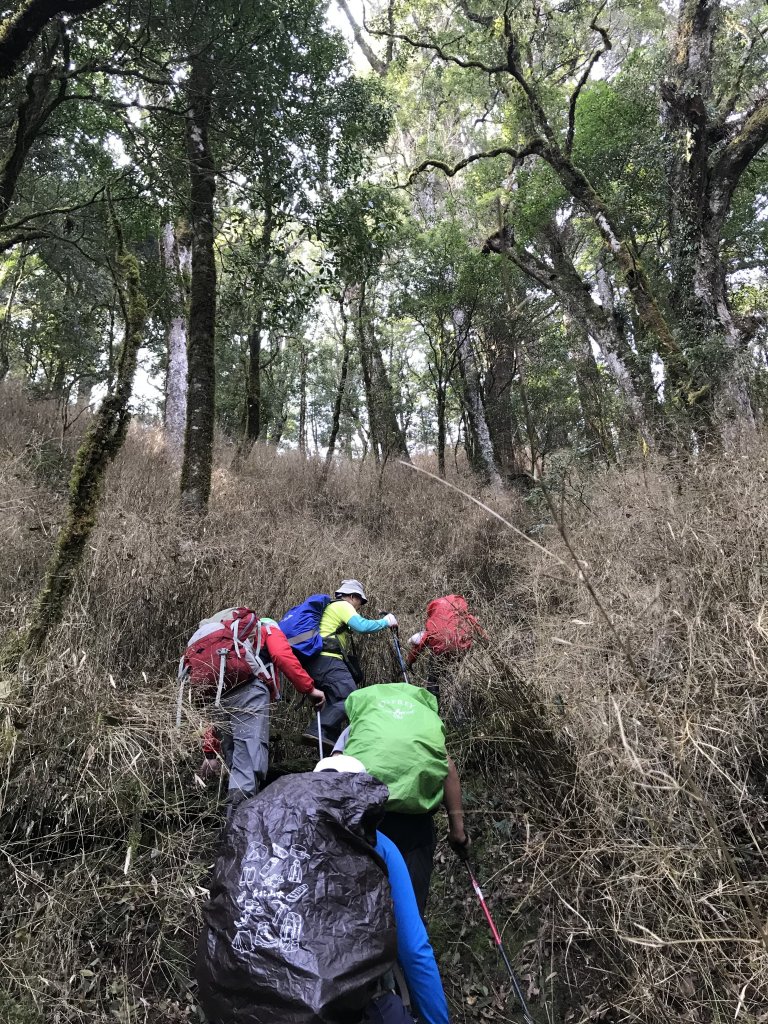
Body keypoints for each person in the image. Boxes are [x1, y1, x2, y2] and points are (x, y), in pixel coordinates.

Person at [314, 755, 451, 1024]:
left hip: (287, 999)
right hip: (359, 1005)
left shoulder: (285, 845)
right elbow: (413, 949)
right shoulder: (379, 847)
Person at [332, 682, 470, 917]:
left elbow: (334, 767)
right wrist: (458, 830)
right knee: (411, 907)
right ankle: (411, 945)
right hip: (415, 824)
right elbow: (448, 767)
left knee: (364, 903)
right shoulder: (422, 725)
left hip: (366, 819)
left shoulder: (363, 721)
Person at [198, 615, 326, 807]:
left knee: (235, 759)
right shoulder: (267, 627)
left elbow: (212, 719)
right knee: (248, 761)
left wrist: (210, 752)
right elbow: (282, 655)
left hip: (219, 697)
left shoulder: (222, 648)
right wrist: (309, 689)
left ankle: (231, 818)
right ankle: (242, 824)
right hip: (249, 693)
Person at [301, 579, 398, 752]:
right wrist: (386, 621)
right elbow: (362, 626)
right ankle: (316, 730)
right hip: (328, 660)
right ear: (353, 596)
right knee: (351, 698)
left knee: (334, 702)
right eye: (360, 603)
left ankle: (331, 747)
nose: (358, 607)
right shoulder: (343, 605)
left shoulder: (330, 609)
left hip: (316, 663)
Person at [406, 595, 484, 710]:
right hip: (462, 649)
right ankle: (461, 710)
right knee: (456, 678)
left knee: (433, 678)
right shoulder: (462, 613)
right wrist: (488, 644)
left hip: (440, 650)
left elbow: (422, 642)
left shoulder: (435, 620)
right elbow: (478, 628)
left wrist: (409, 661)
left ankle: (433, 709)